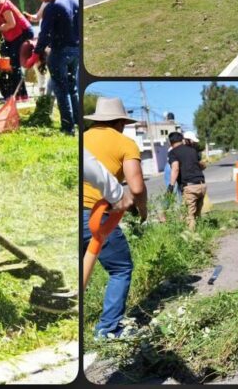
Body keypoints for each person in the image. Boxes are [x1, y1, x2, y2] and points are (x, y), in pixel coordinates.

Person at [83, 97, 148, 339]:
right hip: (95, 213)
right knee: (120, 268)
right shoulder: (125, 143)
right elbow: (137, 187)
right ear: (121, 122)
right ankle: (107, 328)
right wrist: (142, 210)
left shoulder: (82, 138)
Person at [29, 0, 79, 135]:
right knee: (73, 88)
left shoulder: (52, 7)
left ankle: (68, 128)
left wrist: (35, 54)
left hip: (59, 52)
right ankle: (78, 123)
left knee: (61, 90)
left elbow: (45, 34)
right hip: (76, 50)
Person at [167, 131, 207, 231]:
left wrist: (171, 186)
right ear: (182, 140)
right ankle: (201, 234)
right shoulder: (193, 150)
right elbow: (202, 165)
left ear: (170, 142)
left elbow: (175, 168)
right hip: (202, 185)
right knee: (197, 215)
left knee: (189, 216)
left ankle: (191, 241)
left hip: (190, 188)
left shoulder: (173, 152)